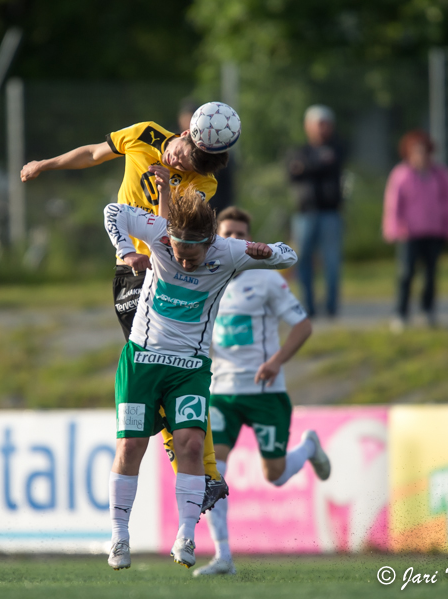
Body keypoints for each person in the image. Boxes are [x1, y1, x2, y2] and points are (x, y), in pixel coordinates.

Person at [21, 120, 230, 512]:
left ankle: (205, 474)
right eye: (181, 154)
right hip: (127, 273)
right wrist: (45, 164)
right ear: (185, 133)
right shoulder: (145, 133)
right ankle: (207, 476)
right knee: (162, 366)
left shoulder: (203, 185)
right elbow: (93, 153)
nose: (177, 162)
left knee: (167, 366)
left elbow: (172, 235)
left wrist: (169, 186)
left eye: (188, 166)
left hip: (163, 278)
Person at [102, 185, 297, 571]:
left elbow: (288, 255)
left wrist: (267, 252)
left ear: (210, 242)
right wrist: (126, 251)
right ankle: (119, 538)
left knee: (191, 446)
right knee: (131, 447)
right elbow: (112, 211)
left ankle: (186, 535)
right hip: (142, 359)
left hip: (189, 367)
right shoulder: (158, 231)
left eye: (194, 257)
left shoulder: (228, 251)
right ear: (169, 240)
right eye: (179, 255)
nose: (186, 264)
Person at [192, 207, 330, 577]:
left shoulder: (268, 279)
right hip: (223, 393)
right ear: (216, 237)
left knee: (276, 475)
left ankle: (309, 448)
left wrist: (277, 362)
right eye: (228, 234)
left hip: (266, 391)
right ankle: (223, 556)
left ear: (250, 238)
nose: (235, 240)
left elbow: (302, 326)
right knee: (212, 476)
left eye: (241, 234)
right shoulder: (205, 277)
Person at [383, 130, 448, 331]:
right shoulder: (401, 174)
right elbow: (393, 204)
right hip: (409, 232)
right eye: (416, 152)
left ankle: (428, 310)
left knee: (430, 274)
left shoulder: (440, 174)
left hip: (434, 231)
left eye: (424, 152)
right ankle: (400, 313)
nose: (421, 156)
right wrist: (392, 229)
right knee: (406, 273)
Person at [287, 105, 346, 318]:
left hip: (330, 213)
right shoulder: (299, 150)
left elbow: (310, 169)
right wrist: (316, 164)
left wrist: (306, 167)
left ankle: (331, 307)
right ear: (308, 126)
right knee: (303, 261)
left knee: (331, 261)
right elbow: (292, 173)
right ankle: (308, 307)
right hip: (305, 213)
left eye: (326, 124)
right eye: (318, 124)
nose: (322, 129)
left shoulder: (337, 148)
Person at [178, 98, 235, 213]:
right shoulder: (174, 145)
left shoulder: (216, 149)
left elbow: (227, 187)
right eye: (185, 118)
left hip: (213, 208)